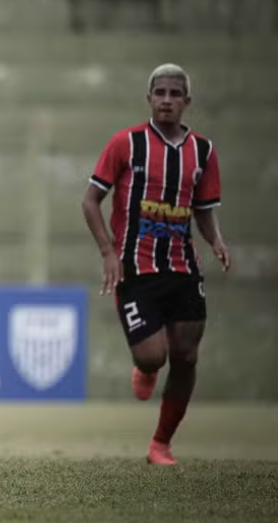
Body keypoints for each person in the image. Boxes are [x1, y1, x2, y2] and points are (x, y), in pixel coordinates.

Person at [81, 63, 230, 465]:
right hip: (136, 270)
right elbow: (90, 200)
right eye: (160, 92)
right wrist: (108, 252)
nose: (166, 99)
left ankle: (160, 444)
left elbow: (202, 208)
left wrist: (215, 239)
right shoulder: (126, 144)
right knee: (152, 356)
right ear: (149, 98)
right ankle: (144, 368)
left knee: (186, 355)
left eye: (174, 94)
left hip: (183, 268)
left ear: (187, 102)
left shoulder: (203, 152)